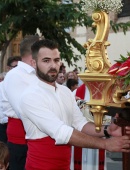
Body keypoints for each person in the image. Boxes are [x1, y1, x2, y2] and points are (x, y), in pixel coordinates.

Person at [18, 39, 130, 170]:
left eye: (56, 60)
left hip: (65, 165)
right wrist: (105, 144)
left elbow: (80, 124)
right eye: (46, 61)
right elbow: (61, 133)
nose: (53, 66)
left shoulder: (65, 91)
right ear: (34, 63)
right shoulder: (30, 96)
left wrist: (107, 130)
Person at [3, 35, 40, 170]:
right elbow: (22, 110)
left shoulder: (36, 74)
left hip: (35, 136)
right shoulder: (15, 75)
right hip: (20, 137)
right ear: (34, 53)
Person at [0, 56, 21, 144]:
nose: (18, 70)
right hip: (5, 127)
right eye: (15, 67)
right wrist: (14, 120)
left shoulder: (24, 86)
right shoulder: (0, 87)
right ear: (8, 68)